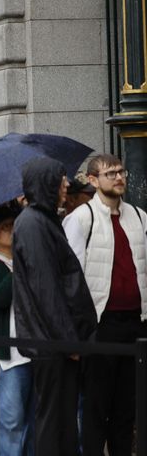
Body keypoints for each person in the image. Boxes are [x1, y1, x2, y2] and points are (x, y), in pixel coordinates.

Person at [13, 157, 97, 456]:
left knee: (61, 420)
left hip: (54, 341)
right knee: (54, 420)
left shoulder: (42, 221)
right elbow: (46, 288)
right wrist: (68, 340)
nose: (66, 186)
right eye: (61, 180)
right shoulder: (34, 224)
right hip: (53, 343)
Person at [63, 154, 147, 456]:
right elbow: (70, 278)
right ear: (93, 180)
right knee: (96, 408)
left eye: (121, 171)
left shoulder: (139, 216)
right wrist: (75, 332)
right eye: (110, 173)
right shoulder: (81, 218)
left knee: (127, 407)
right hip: (100, 324)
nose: (119, 177)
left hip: (135, 324)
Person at [0, 205, 34, 456]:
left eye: (16, 225)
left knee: (33, 423)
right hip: (8, 358)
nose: (14, 231)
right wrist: (19, 267)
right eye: (6, 227)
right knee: (9, 422)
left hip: (35, 352)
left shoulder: (31, 261)